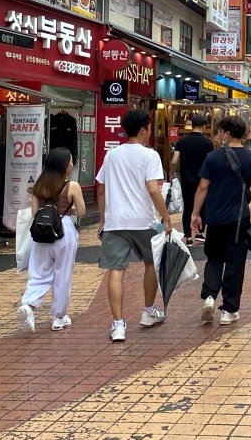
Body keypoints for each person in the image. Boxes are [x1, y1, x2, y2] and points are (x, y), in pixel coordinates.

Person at [97, 109, 171, 343]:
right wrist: (166, 218)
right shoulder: (150, 156)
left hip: (115, 222)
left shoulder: (112, 155)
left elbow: (101, 188)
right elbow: (153, 188)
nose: (150, 132)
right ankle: (148, 311)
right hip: (144, 222)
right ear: (143, 129)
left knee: (116, 271)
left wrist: (102, 220)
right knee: (151, 263)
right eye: (149, 128)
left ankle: (118, 325)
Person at [192, 116, 251, 325]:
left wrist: (195, 214)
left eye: (220, 131)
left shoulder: (213, 157)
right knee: (234, 263)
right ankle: (228, 310)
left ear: (226, 133)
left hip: (214, 218)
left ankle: (208, 296)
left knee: (214, 258)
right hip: (238, 221)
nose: (218, 135)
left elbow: (202, 188)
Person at [17, 148, 85, 333]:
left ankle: (28, 305)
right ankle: (59, 317)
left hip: (41, 231)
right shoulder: (72, 186)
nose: (73, 163)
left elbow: (34, 212)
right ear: (64, 166)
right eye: (71, 161)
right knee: (62, 273)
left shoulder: (40, 184)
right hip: (63, 230)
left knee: (38, 272)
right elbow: (82, 211)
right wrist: (66, 210)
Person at [171, 115, 214, 246]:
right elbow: (211, 162)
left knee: (188, 208)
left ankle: (188, 238)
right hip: (203, 180)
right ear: (203, 126)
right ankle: (200, 233)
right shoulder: (207, 143)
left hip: (186, 180)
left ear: (191, 125)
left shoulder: (182, 142)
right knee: (203, 206)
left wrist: (172, 173)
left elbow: (174, 161)